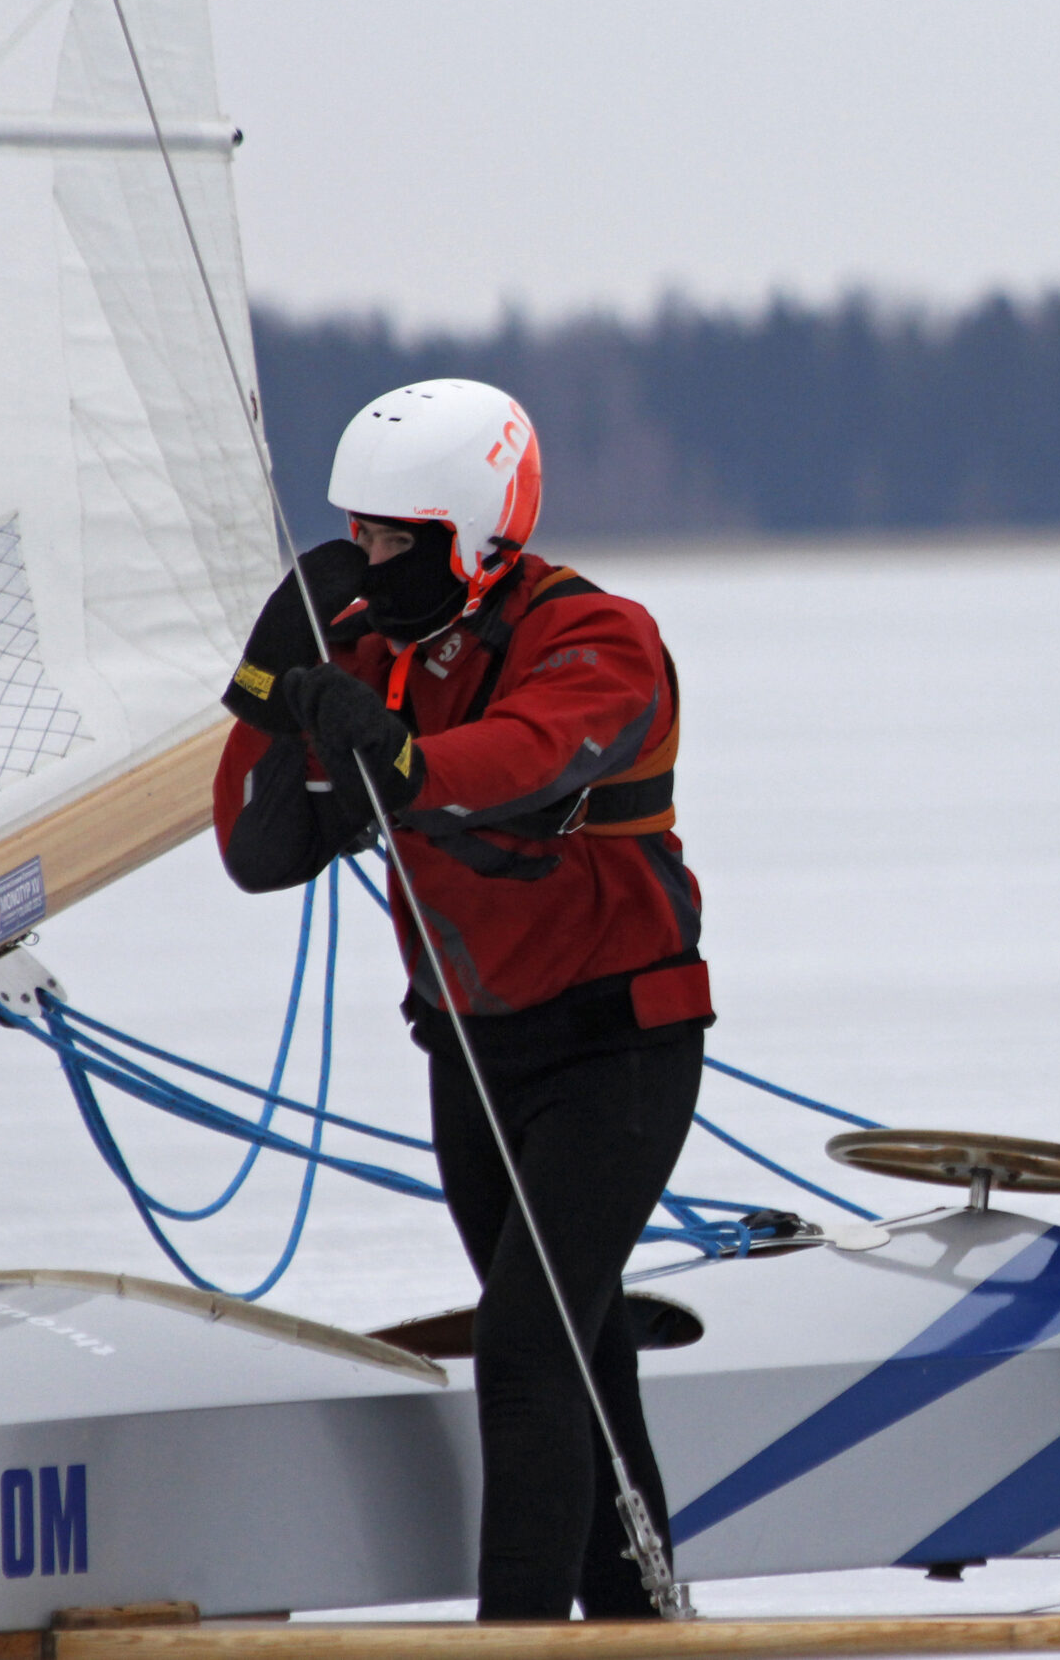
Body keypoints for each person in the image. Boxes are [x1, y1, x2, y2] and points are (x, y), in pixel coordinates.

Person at [210, 379, 710, 1621]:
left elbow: (525, 756)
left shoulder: (598, 637)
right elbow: (259, 850)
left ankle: (517, 1641)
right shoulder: (372, 653)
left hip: (616, 1050)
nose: (367, 563)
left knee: (528, 1348)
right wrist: (272, 679)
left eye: (394, 540)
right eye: (356, 535)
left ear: (475, 535)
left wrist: (393, 755)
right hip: (473, 1054)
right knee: (583, 1351)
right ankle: (638, 1629)